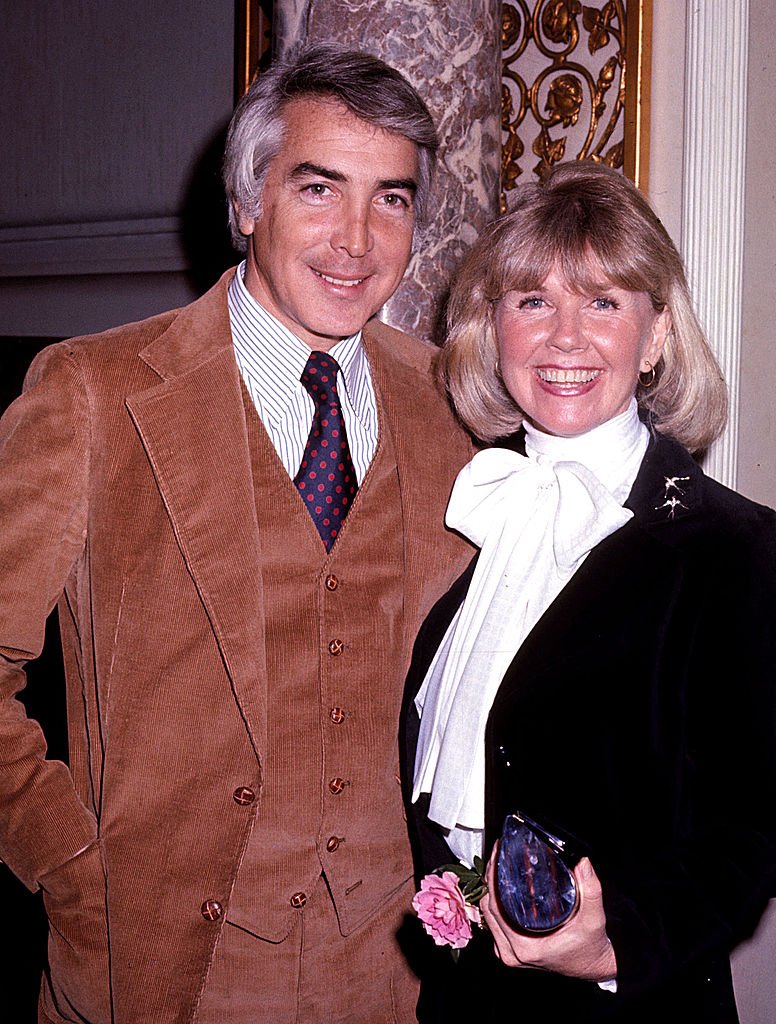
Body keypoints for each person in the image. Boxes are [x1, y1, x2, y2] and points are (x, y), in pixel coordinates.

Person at [0, 44, 474, 1024]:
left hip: (399, 976)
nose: (355, 238)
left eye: (389, 198)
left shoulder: (454, 406)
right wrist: (65, 862)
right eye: (318, 188)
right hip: (158, 970)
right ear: (247, 201)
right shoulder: (92, 393)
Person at [401, 161, 776, 1023]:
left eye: (603, 302)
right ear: (492, 329)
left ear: (654, 339)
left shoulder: (734, 548)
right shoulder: (468, 520)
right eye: (532, 300)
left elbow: (754, 829)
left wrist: (618, 944)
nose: (564, 338)